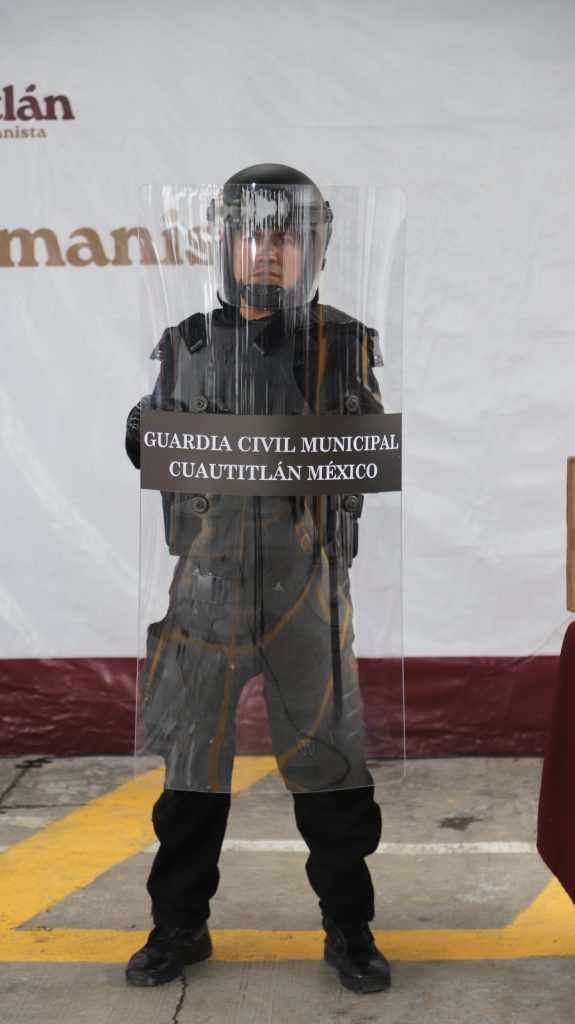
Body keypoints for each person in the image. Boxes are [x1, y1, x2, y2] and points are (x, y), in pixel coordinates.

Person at [124, 164, 391, 993]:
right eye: (252, 234)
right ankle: (177, 924)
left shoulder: (340, 344)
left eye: (285, 236)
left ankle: (349, 928)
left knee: (331, 773)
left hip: (305, 591)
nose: (267, 251)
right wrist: (142, 429)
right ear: (225, 243)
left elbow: (364, 451)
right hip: (204, 593)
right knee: (190, 779)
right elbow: (158, 444)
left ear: (314, 248)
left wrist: (348, 430)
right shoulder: (187, 342)